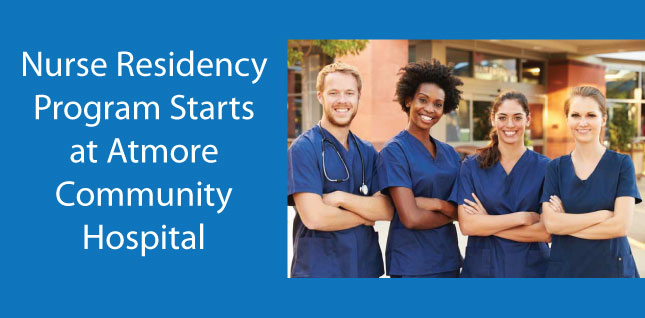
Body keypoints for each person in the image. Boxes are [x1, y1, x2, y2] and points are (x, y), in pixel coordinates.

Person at [287, 62, 393, 278]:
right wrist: (364, 216)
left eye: (349, 93)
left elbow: (387, 209)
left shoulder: (367, 151)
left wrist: (340, 198)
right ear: (320, 96)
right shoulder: (303, 148)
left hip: (364, 268)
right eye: (333, 93)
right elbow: (315, 217)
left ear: (358, 97)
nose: (342, 100)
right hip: (320, 270)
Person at [541, 86, 641, 278]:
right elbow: (552, 225)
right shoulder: (555, 168)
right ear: (567, 119)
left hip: (612, 270)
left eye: (591, 115)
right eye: (576, 115)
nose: (583, 122)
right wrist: (601, 215)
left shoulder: (621, 165)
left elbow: (620, 226)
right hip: (566, 270)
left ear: (603, 119)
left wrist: (567, 225)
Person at [376, 60, 463, 278]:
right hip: (412, 265)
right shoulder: (394, 151)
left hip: (449, 261)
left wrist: (436, 203)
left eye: (438, 104)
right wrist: (449, 212)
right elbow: (411, 218)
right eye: (423, 100)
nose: (429, 109)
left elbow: (461, 211)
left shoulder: (450, 153)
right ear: (408, 100)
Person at [456, 91, 551, 278]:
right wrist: (523, 217)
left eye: (517, 117)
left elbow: (546, 232)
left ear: (528, 120)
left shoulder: (546, 168)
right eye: (502, 117)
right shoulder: (472, 166)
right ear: (493, 119)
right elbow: (468, 226)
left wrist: (487, 223)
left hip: (531, 271)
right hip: (483, 271)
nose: (510, 125)